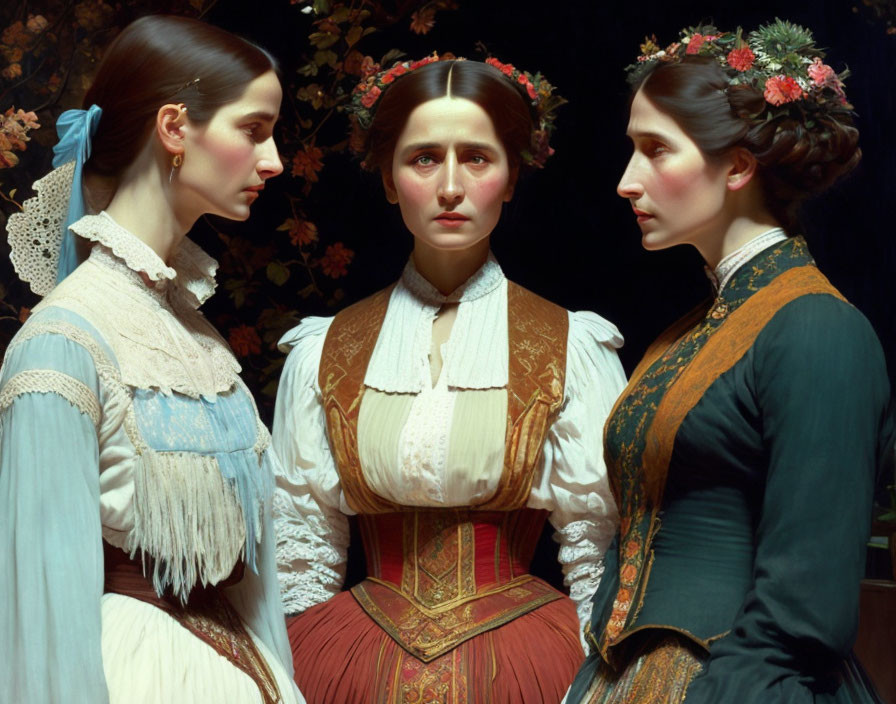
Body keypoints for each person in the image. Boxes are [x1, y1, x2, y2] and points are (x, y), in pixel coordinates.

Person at [272, 54, 626, 702]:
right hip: (349, 661)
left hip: (525, 664)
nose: (451, 186)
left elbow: (593, 547)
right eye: (424, 158)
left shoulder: (569, 345)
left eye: (478, 159)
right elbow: (303, 552)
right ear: (387, 178)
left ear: (512, 176)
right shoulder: (325, 350)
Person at [565, 20, 892, 704]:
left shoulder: (817, 329)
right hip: (627, 675)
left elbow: (806, 609)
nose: (627, 181)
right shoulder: (694, 329)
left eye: (656, 150)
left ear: (739, 166)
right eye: (633, 150)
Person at [0, 15, 305, 704]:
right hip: (133, 673)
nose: (275, 160)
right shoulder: (65, 343)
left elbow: (255, 581)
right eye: (254, 130)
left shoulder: (198, 340)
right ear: (175, 128)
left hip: (238, 665)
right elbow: (41, 610)